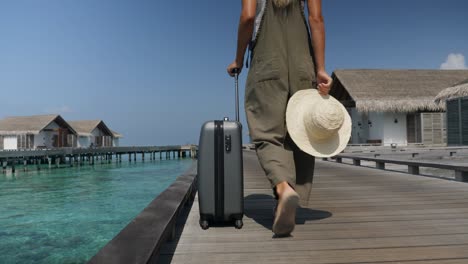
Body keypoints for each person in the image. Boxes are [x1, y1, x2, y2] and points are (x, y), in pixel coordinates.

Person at [227, 0, 332, 236]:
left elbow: (248, 17)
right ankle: (286, 199)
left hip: (267, 63)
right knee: (299, 131)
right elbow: (316, 19)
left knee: (266, 131)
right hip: (303, 64)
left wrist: (238, 58)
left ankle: (283, 188)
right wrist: (321, 68)